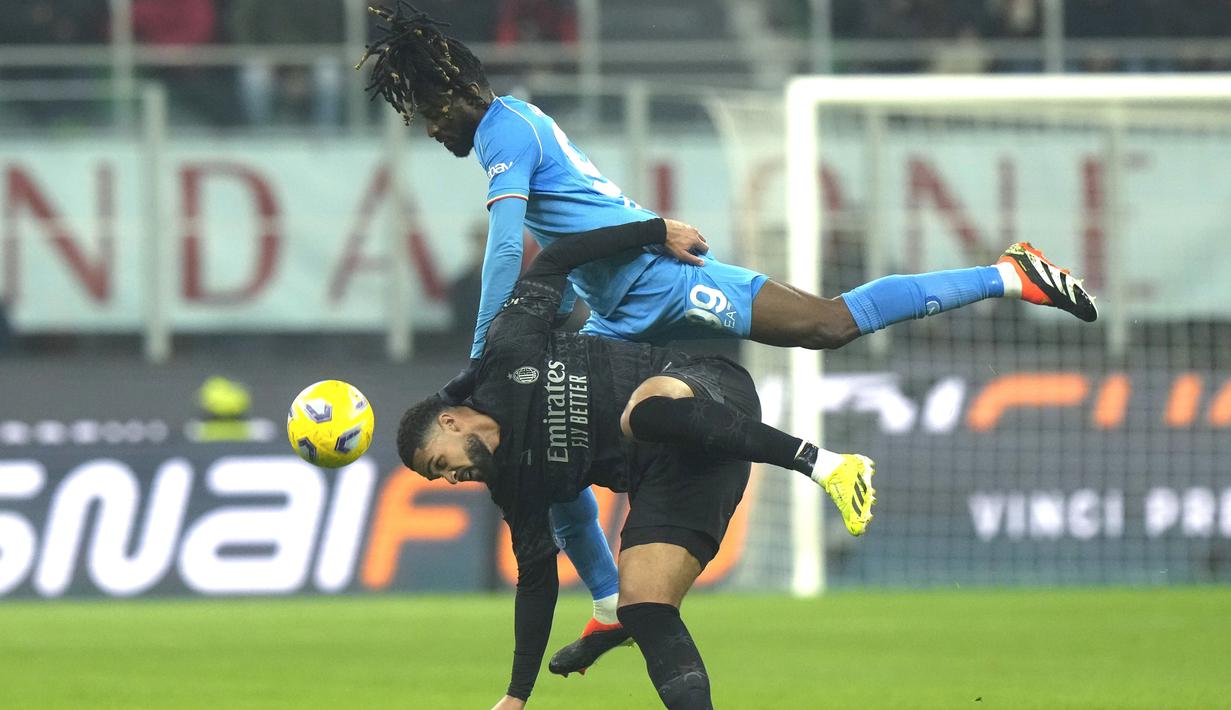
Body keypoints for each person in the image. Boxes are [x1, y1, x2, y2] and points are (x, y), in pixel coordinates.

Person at [359, 0, 1098, 677]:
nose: (428, 128)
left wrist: (486, 345)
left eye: (425, 112)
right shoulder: (508, 128)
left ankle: (1011, 274)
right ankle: (612, 602)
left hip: (662, 282)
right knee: (551, 464)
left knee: (825, 325)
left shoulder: (505, 130)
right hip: (615, 310)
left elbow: (505, 245)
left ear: (449, 89)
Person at [397, 217, 876, 709]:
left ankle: (825, 465)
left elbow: (557, 258)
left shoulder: (506, 353)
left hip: (704, 392)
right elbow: (536, 585)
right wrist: (516, 695)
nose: (451, 478)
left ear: (451, 422)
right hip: (684, 478)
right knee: (645, 608)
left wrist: (655, 231)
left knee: (641, 414)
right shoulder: (516, 487)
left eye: (440, 463)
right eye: (440, 477)